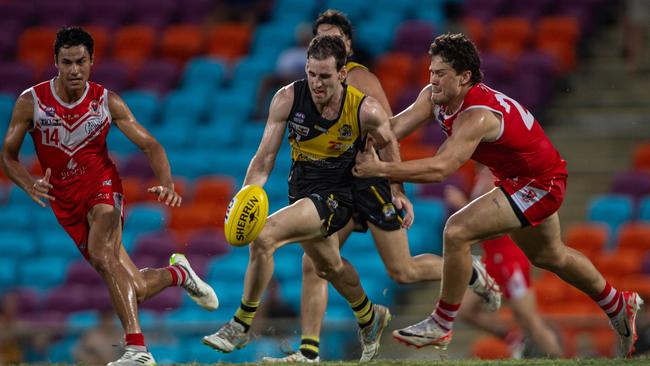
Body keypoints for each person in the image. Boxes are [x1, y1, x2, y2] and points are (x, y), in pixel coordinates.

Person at [353, 33, 643, 358]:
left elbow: (441, 168)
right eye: (431, 71)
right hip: (517, 177)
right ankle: (618, 303)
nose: (432, 79)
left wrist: (378, 171)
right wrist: (349, 143)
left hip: (539, 182)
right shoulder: (435, 96)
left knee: (457, 230)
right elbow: (391, 130)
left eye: (441, 73)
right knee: (550, 256)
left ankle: (441, 322)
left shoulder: (476, 115)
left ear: (464, 77)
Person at [262, 9, 501, 363]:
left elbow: (389, 135)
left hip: (369, 182)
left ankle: (471, 270)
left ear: (348, 47)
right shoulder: (307, 87)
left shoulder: (362, 80)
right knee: (316, 261)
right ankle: (309, 352)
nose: (329, 45)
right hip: (337, 187)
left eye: (336, 38)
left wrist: (396, 186)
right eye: (321, 39)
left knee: (402, 271)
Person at [0, 26, 218, 366]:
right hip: (66, 204)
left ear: (92, 62)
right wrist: (28, 183)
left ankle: (137, 350)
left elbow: (150, 144)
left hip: (103, 187)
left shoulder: (106, 101)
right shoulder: (32, 103)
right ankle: (179, 274)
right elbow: (8, 155)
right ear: (55, 63)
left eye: (81, 62)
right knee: (137, 287)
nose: (74, 69)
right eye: (67, 62)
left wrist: (166, 181)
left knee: (103, 254)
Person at [202, 34, 400, 362]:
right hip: (302, 190)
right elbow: (265, 157)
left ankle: (240, 325)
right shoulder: (287, 99)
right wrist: (247, 193)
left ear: (341, 74)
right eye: (311, 74)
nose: (316, 83)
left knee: (264, 236)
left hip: (338, 195)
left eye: (324, 76)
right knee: (329, 265)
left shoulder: (365, 110)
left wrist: (397, 189)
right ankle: (369, 316)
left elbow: (390, 142)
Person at [446, 166, 563, 358]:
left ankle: (560, 359)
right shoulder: (482, 176)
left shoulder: (498, 177)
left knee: (529, 319)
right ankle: (513, 340)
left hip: (509, 257)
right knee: (465, 309)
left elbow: (488, 221)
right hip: (491, 258)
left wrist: (461, 205)